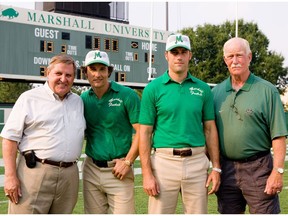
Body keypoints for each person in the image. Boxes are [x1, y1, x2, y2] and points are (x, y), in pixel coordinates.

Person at [139, 34, 221, 214]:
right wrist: (146, 173)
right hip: (164, 163)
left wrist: (216, 167)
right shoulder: (153, 89)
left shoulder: (202, 88)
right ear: (166, 55)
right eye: (174, 52)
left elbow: (209, 129)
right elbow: (144, 133)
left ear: (190, 55)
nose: (179, 56)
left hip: (197, 162)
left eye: (183, 52)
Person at [0, 54, 86, 214]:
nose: (63, 79)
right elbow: (9, 138)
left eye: (68, 75)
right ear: (48, 73)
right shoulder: (29, 98)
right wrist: (10, 176)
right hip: (35, 173)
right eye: (58, 73)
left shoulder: (78, 101)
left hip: (69, 176)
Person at [213, 37, 288, 214]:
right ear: (225, 60)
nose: (235, 60)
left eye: (239, 55)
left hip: (258, 167)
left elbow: (278, 135)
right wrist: (215, 167)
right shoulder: (216, 93)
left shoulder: (267, 90)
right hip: (226, 169)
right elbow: (210, 132)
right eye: (230, 56)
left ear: (249, 57)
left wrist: (277, 171)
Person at [80, 50, 140, 214]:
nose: (97, 74)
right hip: (91, 169)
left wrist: (128, 162)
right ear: (86, 72)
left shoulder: (127, 95)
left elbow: (142, 132)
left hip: (119, 169)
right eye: (93, 69)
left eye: (102, 69)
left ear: (109, 71)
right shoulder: (83, 99)